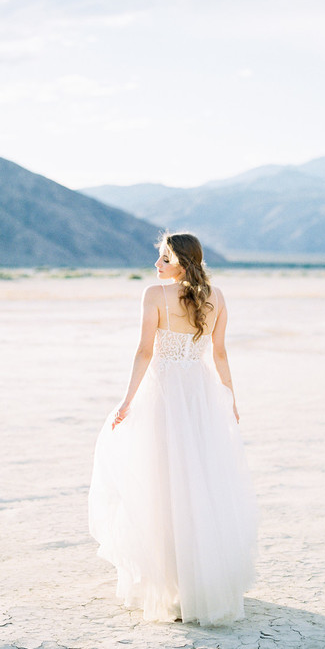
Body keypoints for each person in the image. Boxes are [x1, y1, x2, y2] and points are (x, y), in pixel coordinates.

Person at [88, 232, 258, 625]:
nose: (157, 266)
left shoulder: (154, 295)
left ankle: (169, 584)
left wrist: (128, 400)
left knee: (160, 484)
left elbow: (145, 351)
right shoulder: (217, 296)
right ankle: (198, 583)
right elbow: (219, 353)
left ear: (181, 262)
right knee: (197, 483)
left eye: (164, 259)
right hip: (198, 394)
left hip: (162, 394)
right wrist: (228, 397)